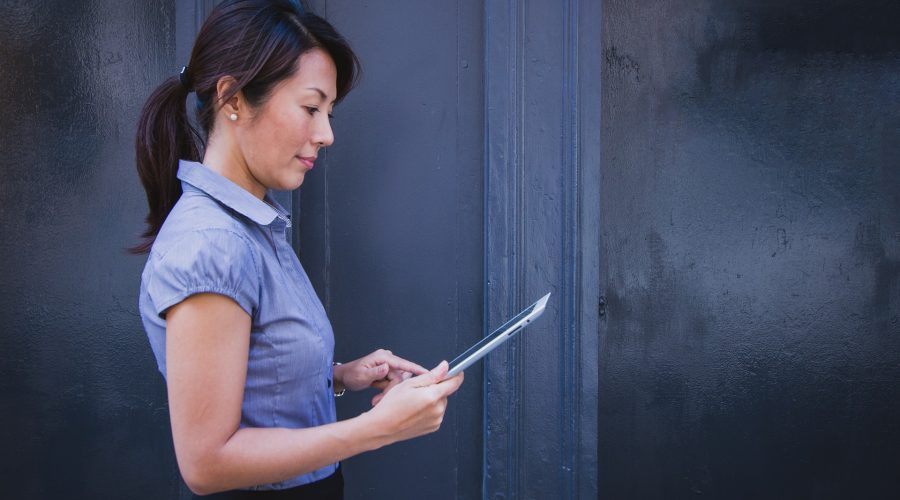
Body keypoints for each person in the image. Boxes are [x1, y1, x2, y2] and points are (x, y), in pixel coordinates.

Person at [132, 1, 464, 497]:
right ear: (233, 98)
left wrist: (337, 377)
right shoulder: (214, 243)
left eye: (328, 113)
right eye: (311, 108)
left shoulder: (250, 226)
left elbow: (249, 376)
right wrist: (378, 429)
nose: (326, 134)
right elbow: (206, 463)